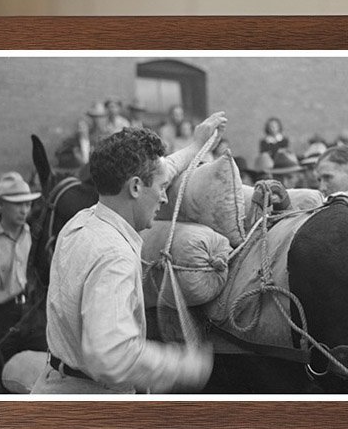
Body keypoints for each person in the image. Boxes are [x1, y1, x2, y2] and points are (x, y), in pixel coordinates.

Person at [32, 112, 227, 395]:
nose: (163, 196)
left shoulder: (81, 221)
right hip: (93, 406)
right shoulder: (114, 256)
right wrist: (186, 365)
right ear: (136, 187)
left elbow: (164, 169)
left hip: (56, 385)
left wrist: (196, 146)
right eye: (161, 189)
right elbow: (111, 353)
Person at [0, 172, 40, 348]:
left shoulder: (35, 238)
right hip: (0, 323)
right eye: (18, 204)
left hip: (33, 317)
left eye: (28, 204)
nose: (24, 210)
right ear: (2, 204)